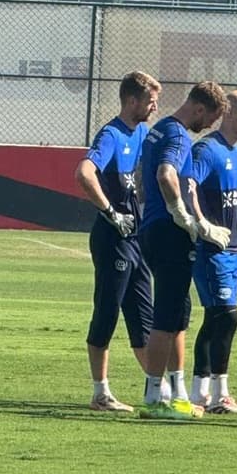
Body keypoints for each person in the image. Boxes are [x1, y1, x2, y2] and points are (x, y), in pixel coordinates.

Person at [136, 81, 231, 420]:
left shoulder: (157, 131)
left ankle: (176, 394)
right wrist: (181, 215)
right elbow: (165, 175)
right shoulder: (177, 135)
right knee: (167, 314)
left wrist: (152, 211)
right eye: (211, 119)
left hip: (155, 229)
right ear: (200, 109)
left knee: (179, 313)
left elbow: (141, 178)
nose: (208, 127)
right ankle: (154, 397)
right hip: (168, 233)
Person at [74, 71, 161, 412]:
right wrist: (111, 211)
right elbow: (83, 173)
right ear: (131, 101)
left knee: (145, 317)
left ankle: (158, 390)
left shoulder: (142, 133)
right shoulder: (111, 134)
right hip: (113, 237)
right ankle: (101, 393)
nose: (154, 108)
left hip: (136, 239)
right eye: (150, 102)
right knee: (107, 313)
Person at [188, 91, 237, 415]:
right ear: (229, 112)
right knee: (225, 317)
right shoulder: (207, 149)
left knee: (217, 318)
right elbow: (188, 184)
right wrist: (202, 224)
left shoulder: (235, 154)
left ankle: (205, 393)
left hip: (233, 249)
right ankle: (215, 393)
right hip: (211, 249)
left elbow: (231, 201)